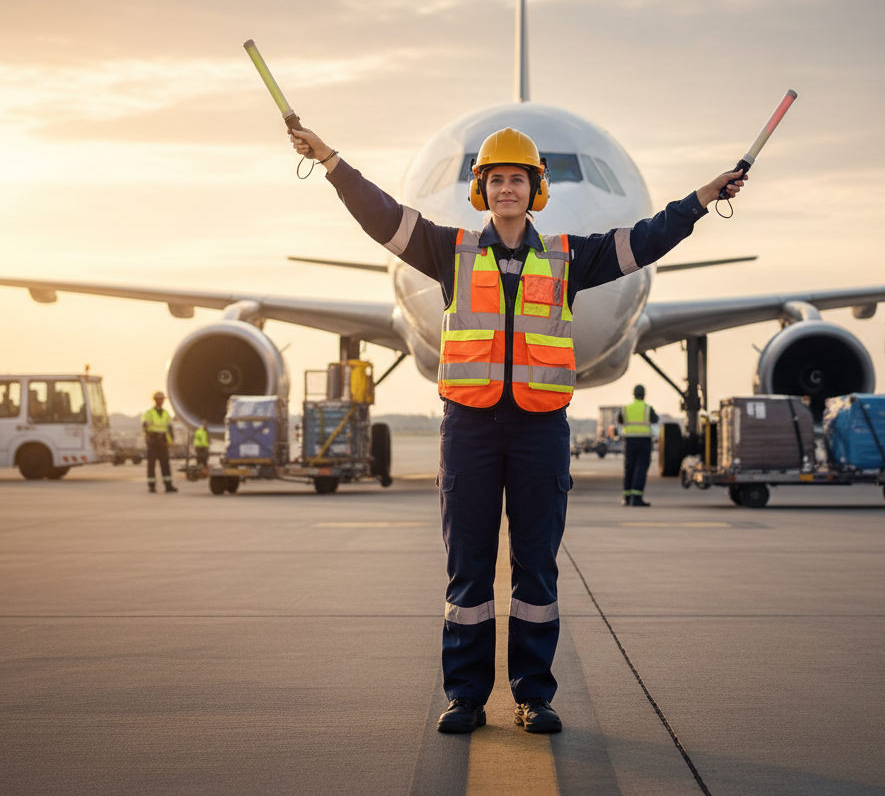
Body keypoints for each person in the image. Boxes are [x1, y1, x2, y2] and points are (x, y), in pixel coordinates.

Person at [290, 123, 745, 736]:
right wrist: (329, 160)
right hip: (470, 429)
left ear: (536, 190)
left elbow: (646, 239)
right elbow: (381, 216)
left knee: (536, 570)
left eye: (518, 180)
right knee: (469, 569)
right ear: (482, 190)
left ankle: (534, 694)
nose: (508, 189)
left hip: (539, 430)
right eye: (497, 179)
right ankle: (466, 696)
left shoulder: (568, 257)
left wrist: (702, 198)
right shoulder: (449, 251)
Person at [618, 384, 658, 506]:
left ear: (634, 395)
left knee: (629, 467)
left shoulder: (626, 408)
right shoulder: (647, 408)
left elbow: (620, 420)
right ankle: (636, 497)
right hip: (644, 441)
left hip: (629, 441)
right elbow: (655, 419)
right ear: (644, 395)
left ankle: (627, 497)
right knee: (641, 468)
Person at [142, 391, 178, 493]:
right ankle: (152, 485)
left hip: (162, 440)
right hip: (153, 440)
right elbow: (145, 425)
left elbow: (169, 429)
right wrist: (148, 436)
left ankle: (168, 485)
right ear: (155, 400)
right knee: (151, 464)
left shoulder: (166, 413)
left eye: (162, 399)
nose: (160, 401)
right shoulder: (149, 413)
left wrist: (170, 441)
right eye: (159, 399)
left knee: (165, 464)